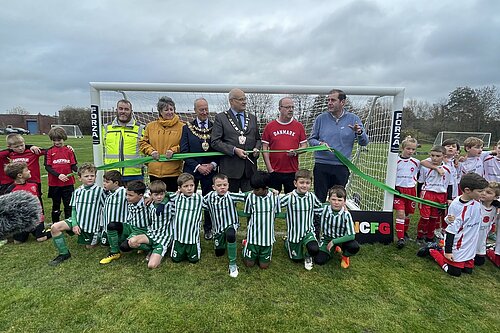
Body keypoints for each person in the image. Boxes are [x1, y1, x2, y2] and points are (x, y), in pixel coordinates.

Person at [418, 173, 489, 277]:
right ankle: (433, 250)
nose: (483, 194)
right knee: (454, 272)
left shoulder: (476, 200)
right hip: (458, 244)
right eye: (480, 191)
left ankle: (442, 247)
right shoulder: (457, 206)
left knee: (468, 271)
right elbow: (450, 231)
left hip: (470, 245)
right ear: (467, 190)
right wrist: (448, 252)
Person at [308, 89, 369, 202]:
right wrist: (319, 144)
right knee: (319, 199)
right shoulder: (320, 119)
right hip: (322, 165)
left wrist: (359, 132)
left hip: (341, 166)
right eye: (328, 100)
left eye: (333, 100)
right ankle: (318, 219)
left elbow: (364, 142)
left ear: (342, 102)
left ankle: (336, 219)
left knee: (337, 200)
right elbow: (311, 139)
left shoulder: (353, 119)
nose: (329, 103)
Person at [48, 163, 106, 266]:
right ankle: (64, 253)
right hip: (76, 220)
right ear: (79, 178)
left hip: (91, 226)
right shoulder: (77, 191)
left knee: (89, 247)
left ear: (96, 177)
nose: (90, 178)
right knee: (55, 228)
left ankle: (99, 236)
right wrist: (74, 224)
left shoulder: (100, 191)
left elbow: (106, 210)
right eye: (86, 176)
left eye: (92, 176)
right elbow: (73, 209)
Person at [180, 97, 219, 240]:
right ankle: (190, 227)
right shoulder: (187, 128)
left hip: (210, 171)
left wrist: (212, 165)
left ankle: (208, 228)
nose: (204, 112)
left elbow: (220, 148)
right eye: (201, 109)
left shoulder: (216, 127)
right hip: (192, 171)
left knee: (209, 201)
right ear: (195, 110)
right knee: (188, 200)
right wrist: (197, 166)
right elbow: (184, 152)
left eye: (206, 109)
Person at [211, 88, 261, 192]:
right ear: (231, 101)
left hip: (249, 170)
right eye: (241, 99)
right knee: (229, 204)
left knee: (250, 203)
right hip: (230, 171)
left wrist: (257, 148)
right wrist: (234, 150)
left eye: (245, 99)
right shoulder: (220, 118)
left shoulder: (252, 118)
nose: (244, 102)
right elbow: (215, 142)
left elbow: (258, 139)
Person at [203, 173, 246, 277]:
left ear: (228, 185)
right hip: (217, 229)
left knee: (231, 235)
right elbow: (196, 202)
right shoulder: (209, 197)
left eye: (224, 185)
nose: (222, 187)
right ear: (213, 187)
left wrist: (268, 190)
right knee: (219, 253)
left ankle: (233, 263)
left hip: (231, 225)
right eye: (219, 185)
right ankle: (220, 243)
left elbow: (247, 195)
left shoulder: (231, 196)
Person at [262, 97, 307, 194]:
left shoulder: (299, 126)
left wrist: (296, 151)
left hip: (292, 171)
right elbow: (264, 147)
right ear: (280, 109)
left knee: (292, 202)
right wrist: (270, 169)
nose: (290, 110)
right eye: (287, 107)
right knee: (273, 201)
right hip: (274, 171)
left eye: (292, 107)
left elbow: (304, 146)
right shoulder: (270, 126)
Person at [280, 169, 322, 270]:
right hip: (294, 234)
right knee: (296, 259)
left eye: (307, 183)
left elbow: (320, 208)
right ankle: (287, 243)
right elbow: (276, 205)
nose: (304, 185)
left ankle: (308, 257)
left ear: (311, 184)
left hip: (308, 231)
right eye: (301, 182)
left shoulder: (312, 197)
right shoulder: (289, 197)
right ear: (295, 183)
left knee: (314, 249)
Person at [140, 96, 184, 191]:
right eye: (166, 110)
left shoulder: (182, 127)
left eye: (171, 109)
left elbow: (184, 145)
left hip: (174, 173)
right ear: (160, 111)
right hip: (154, 172)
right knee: (157, 200)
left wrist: (174, 150)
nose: (169, 112)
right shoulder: (150, 126)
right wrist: (151, 151)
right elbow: (143, 143)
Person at [127, 180, 173, 269]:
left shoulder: (169, 204)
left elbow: (174, 194)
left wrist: (163, 202)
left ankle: (159, 250)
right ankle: (150, 249)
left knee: (151, 265)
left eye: (161, 194)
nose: (159, 197)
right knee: (131, 242)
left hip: (163, 238)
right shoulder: (150, 203)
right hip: (151, 234)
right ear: (151, 195)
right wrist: (151, 198)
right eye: (156, 195)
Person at [242, 171, 281, 269]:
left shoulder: (274, 197)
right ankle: (246, 245)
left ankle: (263, 253)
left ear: (266, 188)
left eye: (257, 189)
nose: (254, 191)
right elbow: (248, 214)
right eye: (253, 189)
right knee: (249, 265)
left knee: (264, 266)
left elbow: (276, 214)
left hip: (267, 238)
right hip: (253, 237)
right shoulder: (251, 197)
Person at [314, 185, 360, 269]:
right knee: (319, 260)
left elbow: (351, 235)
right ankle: (331, 250)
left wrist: (334, 241)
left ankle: (345, 256)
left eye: (339, 200)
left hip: (342, 239)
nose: (336, 202)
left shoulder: (346, 215)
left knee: (354, 247)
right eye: (333, 199)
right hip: (327, 239)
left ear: (344, 201)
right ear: (329, 199)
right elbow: (309, 209)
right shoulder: (323, 209)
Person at [4, 162, 49, 243]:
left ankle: (51, 230)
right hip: (22, 221)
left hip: (36, 219)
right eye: (27, 170)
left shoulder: (34, 185)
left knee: (41, 239)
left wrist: (41, 214)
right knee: (18, 242)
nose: (29, 171)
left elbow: (38, 201)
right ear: (20, 175)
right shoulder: (11, 190)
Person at [103, 99, 145, 183]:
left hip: (134, 174)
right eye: (121, 108)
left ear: (131, 111)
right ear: (116, 110)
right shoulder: (106, 128)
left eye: (126, 109)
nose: (123, 111)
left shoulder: (141, 129)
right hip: (112, 174)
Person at [416, 145, 452, 243]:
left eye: (438, 156)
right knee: (425, 218)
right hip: (427, 193)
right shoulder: (425, 167)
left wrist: (449, 198)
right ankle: (419, 236)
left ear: (444, 156)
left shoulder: (448, 169)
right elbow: (420, 182)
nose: (435, 158)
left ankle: (430, 237)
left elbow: (449, 184)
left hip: (440, 195)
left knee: (434, 218)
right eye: (433, 155)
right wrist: (418, 197)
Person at [44, 126, 78, 224]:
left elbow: (73, 165)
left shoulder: (69, 150)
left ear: (64, 138)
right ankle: (55, 223)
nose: (57, 142)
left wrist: (79, 171)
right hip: (54, 184)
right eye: (54, 140)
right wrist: (58, 175)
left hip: (68, 183)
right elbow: (47, 167)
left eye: (59, 140)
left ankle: (69, 223)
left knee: (69, 204)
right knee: (56, 204)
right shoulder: (49, 151)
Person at [170, 173, 204, 263]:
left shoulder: (199, 198)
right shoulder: (176, 197)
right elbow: (164, 195)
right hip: (178, 235)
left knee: (194, 260)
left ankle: (193, 250)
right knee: (175, 259)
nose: (189, 188)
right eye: (185, 186)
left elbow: (211, 203)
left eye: (191, 185)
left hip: (192, 236)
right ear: (179, 188)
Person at [393, 136, 420, 249]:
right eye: (408, 148)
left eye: (413, 149)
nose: (411, 151)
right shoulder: (395, 161)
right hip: (398, 190)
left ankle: (404, 232)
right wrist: (394, 187)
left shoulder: (416, 162)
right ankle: (400, 238)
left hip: (411, 191)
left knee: (408, 214)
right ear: (403, 148)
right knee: (400, 213)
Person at [99, 170, 128, 264]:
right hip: (107, 227)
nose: (104, 184)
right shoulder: (108, 192)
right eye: (104, 181)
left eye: (107, 182)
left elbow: (143, 192)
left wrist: (148, 196)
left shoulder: (123, 192)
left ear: (116, 183)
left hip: (119, 227)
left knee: (123, 246)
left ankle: (114, 251)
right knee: (103, 244)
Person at [118, 180, 151, 256]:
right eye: (127, 194)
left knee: (124, 247)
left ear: (140, 195)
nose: (127, 197)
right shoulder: (130, 201)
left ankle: (150, 248)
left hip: (142, 230)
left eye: (130, 195)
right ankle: (114, 251)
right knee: (112, 226)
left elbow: (162, 192)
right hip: (130, 226)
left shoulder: (147, 203)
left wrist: (151, 197)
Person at [474, 182, 499, 266]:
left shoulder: (495, 208)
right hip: (470, 238)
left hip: (482, 241)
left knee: (479, 262)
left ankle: (489, 250)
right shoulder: (476, 204)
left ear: (496, 197)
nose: (484, 194)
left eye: (488, 192)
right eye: (483, 191)